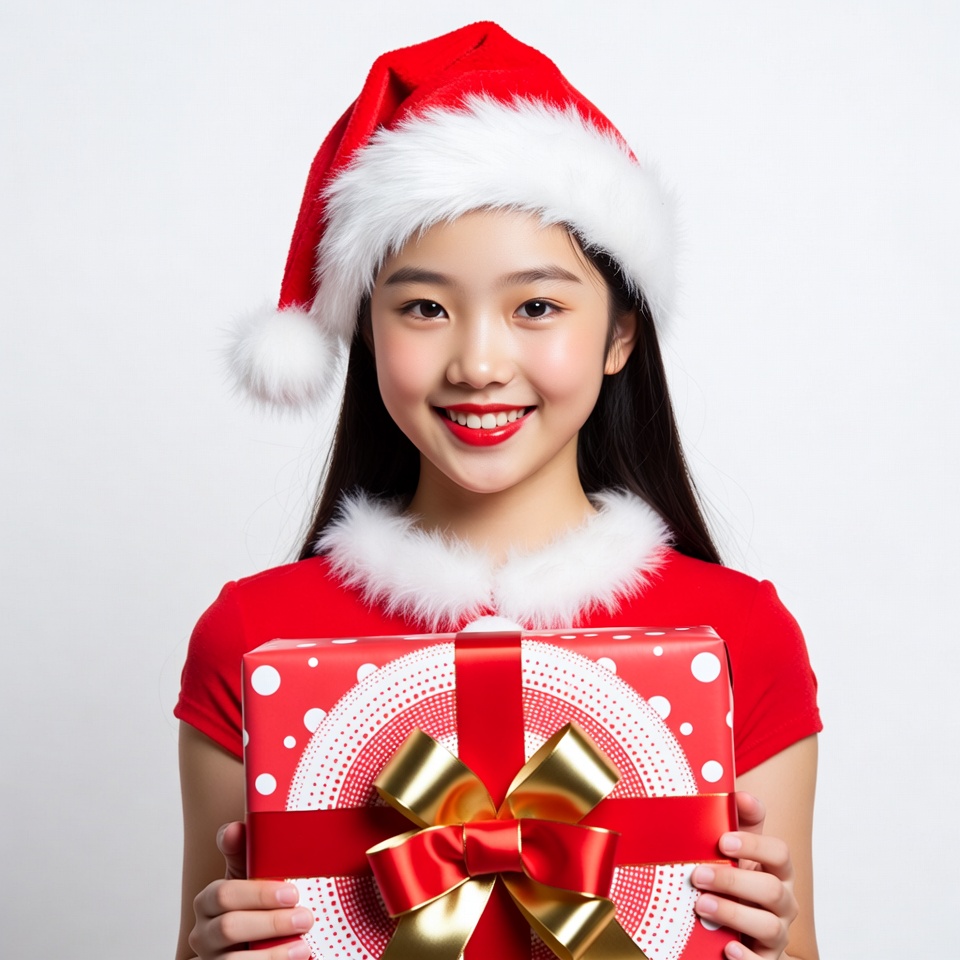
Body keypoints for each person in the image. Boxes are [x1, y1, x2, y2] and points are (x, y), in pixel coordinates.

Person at [175, 21, 821, 960]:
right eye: (425, 308)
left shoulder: (742, 636)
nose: (479, 362)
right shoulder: (250, 640)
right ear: (366, 329)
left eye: (537, 307)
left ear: (620, 337)